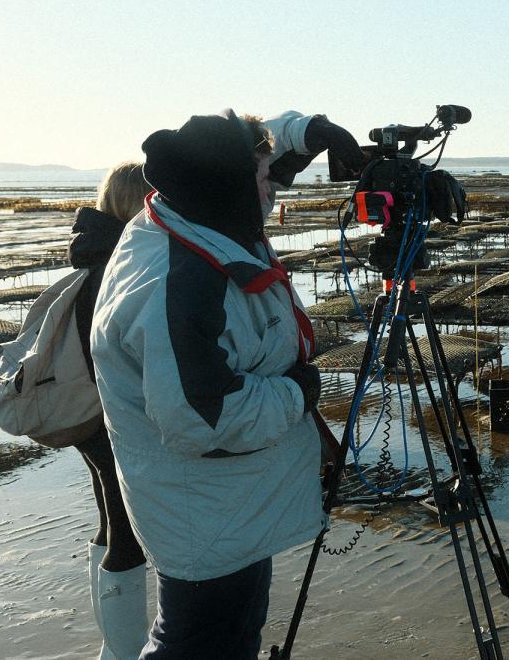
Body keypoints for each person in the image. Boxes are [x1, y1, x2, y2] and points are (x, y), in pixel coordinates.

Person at [90, 108, 363, 659]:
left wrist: (307, 132)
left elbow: (249, 156)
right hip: (205, 518)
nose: (273, 189)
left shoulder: (197, 212)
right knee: (195, 646)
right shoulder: (176, 279)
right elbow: (203, 418)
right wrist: (300, 392)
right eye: (262, 178)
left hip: (228, 504)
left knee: (231, 639)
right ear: (232, 186)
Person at [70, 162, 153, 659]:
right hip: (110, 416)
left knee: (112, 522)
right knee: (126, 533)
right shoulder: (116, 264)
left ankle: (114, 648)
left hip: (88, 416)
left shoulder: (95, 252)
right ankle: (122, 652)